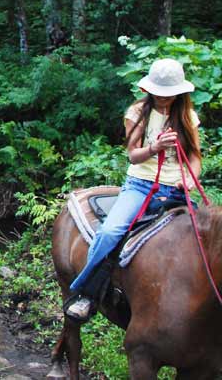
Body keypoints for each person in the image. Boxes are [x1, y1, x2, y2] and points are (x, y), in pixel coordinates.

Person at [66, 58, 201, 320]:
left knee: (204, 239)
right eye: (159, 95)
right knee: (109, 231)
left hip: (176, 189)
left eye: (169, 95)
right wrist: (155, 148)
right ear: (147, 91)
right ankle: (87, 293)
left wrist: (189, 179)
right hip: (141, 185)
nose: (164, 100)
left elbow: (194, 157)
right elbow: (133, 155)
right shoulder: (137, 113)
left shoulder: (187, 117)